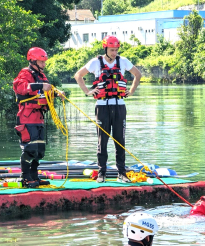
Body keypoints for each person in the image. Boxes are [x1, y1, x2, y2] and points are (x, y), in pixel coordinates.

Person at [74, 35, 142, 183]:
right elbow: (78, 75)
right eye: (112, 50)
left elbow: (138, 74)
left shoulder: (122, 61)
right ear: (105, 48)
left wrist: (131, 91)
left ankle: (121, 173)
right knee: (102, 141)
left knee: (120, 140)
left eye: (116, 50)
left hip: (119, 106)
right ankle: (101, 173)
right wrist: (87, 91)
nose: (114, 52)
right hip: (102, 107)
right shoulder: (95, 62)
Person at [13, 47, 64, 188]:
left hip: (39, 117)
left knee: (40, 150)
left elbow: (45, 92)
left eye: (44, 62)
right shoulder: (25, 73)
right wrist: (41, 85)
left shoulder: (42, 76)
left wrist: (57, 93)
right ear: (33, 60)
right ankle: (25, 177)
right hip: (27, 117)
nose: (44, 64)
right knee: (30, 148)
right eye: (42, 62)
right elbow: (21, 87)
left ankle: (34, 176)